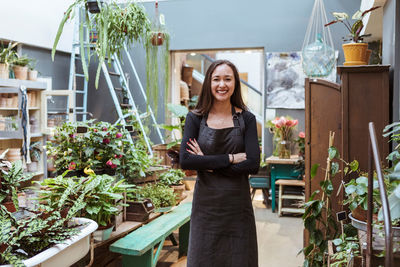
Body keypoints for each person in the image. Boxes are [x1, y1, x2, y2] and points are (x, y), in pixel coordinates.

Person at [180, 59, 260, 267]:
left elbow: (253, 164)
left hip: (237, 208)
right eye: (216, 79)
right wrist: (230, 159)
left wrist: (206, 163)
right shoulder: (195, 119)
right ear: (209, 83)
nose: (222, 84)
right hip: (206, 208)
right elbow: (186, 160)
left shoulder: (247, 119)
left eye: (227, 79)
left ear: (235, 84)